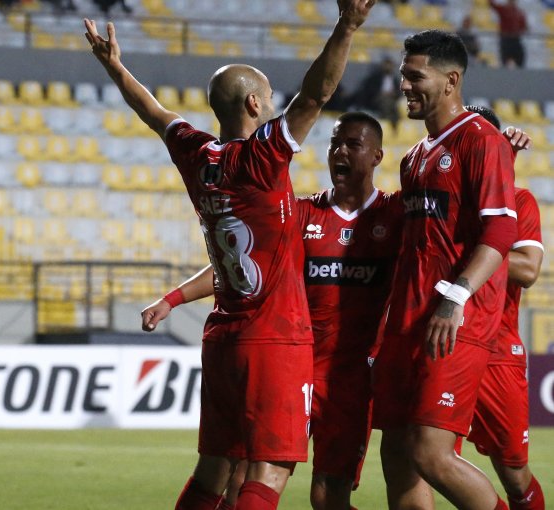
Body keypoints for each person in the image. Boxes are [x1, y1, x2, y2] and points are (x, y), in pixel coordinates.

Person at [83, 1, 375, 507]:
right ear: (257, 106)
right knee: (269, 468)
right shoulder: (261, 160)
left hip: (223, 335)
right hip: (274, 339)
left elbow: (154, 113)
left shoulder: (197, 153)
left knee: (215, 469)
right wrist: (347, 25)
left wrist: (114, 67)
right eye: (268, 97)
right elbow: (318, 93)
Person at [144, 111, 403, 510]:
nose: (340, 151)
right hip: (288, 365)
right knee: (241, 475)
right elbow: (241, 262)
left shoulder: (394, 216)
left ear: (377, 157)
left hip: (348, 381)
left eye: (353, 144)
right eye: (335, 143)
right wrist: (172, 299)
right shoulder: (303, 214)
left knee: (326, 497)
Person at [371, 29, 517, 510]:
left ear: (451, 80)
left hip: (454, 321)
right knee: (396, 452)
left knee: (430, 454)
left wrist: (454, 298)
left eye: (416, 77)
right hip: (406, 321)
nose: (404, 86)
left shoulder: (483, 141)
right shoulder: (415, 157)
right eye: (403, 76)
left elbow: (498, 235)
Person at [460, 105, 546, 510]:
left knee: (514, 474)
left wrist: (462, 255)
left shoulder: (518, 200)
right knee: (422, 455)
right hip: (442, 343)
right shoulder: (437, 197)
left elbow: (528, 268)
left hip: (497, 351)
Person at [489, 0, 528, 68]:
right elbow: (492, 5)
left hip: (515, 39)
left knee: (520, 57)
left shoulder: (519, 12)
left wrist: (521, 29)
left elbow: (524, 26)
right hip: (506, 39)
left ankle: (519, 74)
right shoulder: (504, 9)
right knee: (505, 59)